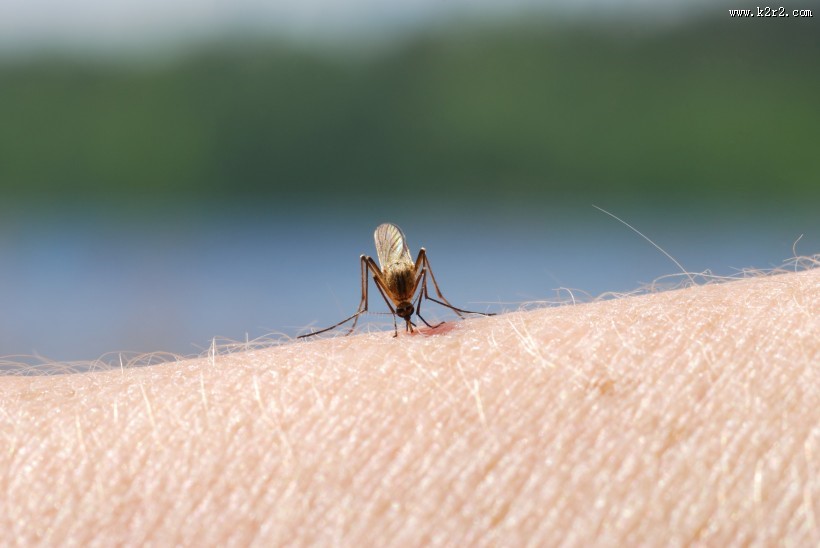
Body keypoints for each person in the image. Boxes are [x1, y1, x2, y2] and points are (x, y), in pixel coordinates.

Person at [2, 267, 818, 545]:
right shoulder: (389, 281)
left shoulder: (408, 278)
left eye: (403, 291)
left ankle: (420, 303)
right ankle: (373, 314)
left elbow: (404, 258)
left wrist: (427, 302)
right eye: (401, 293)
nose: (405, 296)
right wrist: (391, 311)